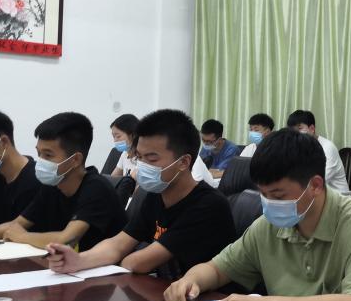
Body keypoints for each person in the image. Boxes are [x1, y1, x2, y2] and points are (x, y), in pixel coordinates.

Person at [163, 128, 351, 301]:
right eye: (263, 194)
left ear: (315, 185)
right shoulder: (268, 225)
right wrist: (189, 281)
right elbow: (217, 269)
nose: (269, 204)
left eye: (278, 196)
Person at [47, 109, 235, 277]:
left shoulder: (208, 205)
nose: (142, 166)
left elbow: (139, 263)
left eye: (151, 159)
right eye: (139, 157)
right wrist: (78, 260)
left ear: (183, 162)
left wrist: (122, 258)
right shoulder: (156, 194)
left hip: (209, 300)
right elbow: (118, 244)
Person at [0, 112, 123, 251]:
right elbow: (17, 224)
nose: (40, 161)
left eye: (48, 155)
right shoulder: (53, 185)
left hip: (108, 272)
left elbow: (66, 239)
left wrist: (23, 237)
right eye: (39, 154)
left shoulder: (96, 188)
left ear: (75, 160)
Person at [286, 110, 349, 192]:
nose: (296, 134)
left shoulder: (328, 147)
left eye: (300, 128)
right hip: (317, 192)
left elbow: (321, 179)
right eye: (293, 131)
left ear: (312, 129)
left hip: (337, 195)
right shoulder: (301, 147)